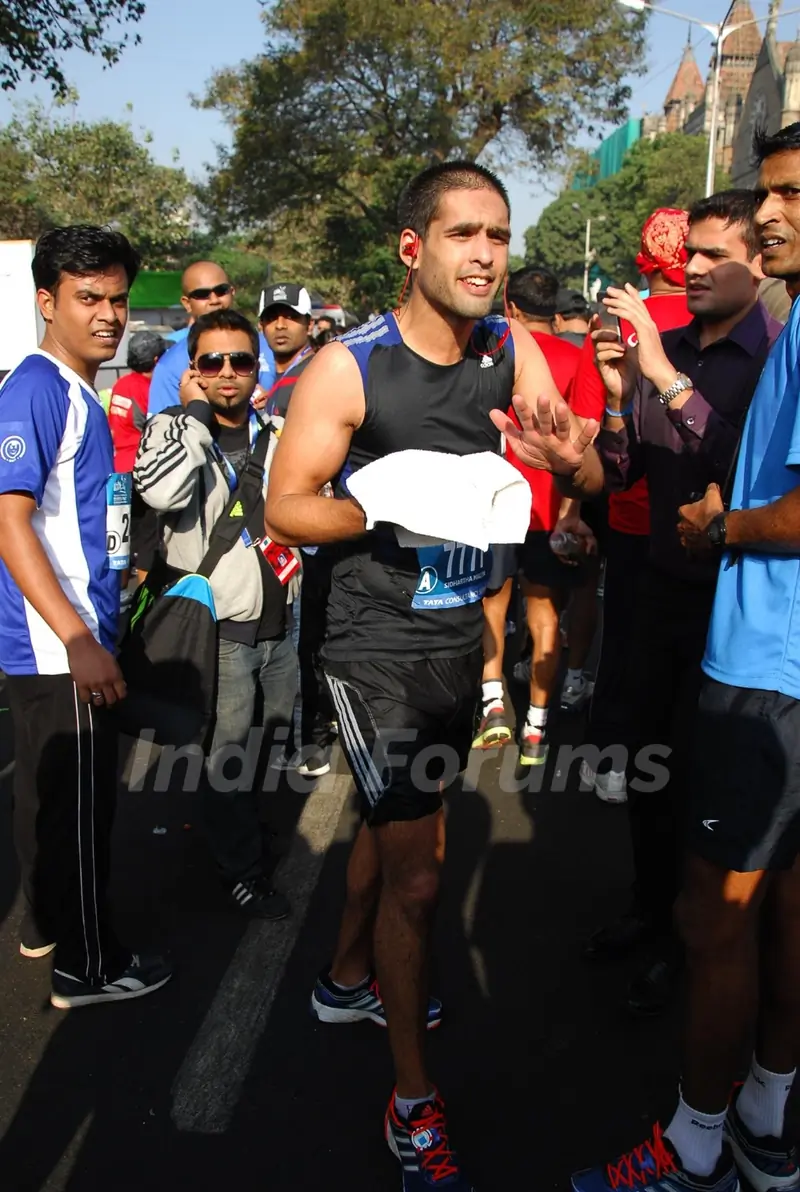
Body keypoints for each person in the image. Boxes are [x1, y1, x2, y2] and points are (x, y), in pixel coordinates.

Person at [265, 160, 601, 1191]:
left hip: (461, 640)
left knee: (402, 830)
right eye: (463, 235)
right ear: (414, 248)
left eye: (497, 235)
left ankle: (345, 976)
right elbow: (287, 505)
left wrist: (570, 476)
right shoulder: (348, 368)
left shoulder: (512, 345)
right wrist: (387, 507)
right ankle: (412, 1102)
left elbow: (576, 464)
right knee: (418, 872)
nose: (486, 255)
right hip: (372, 648)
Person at [570, 120, 800, 1192]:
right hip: (690, 619)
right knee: (666, 796)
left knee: (722, 907)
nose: (763, 218)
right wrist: (588, 455)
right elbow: (638, 461)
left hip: (756, 651)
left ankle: (698, 1136)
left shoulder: (769, 342)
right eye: (763, 194)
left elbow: (758, 492)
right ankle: (759, 1117)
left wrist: (723, 525)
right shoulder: (737, 337)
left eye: (786, 197)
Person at [0, 225, 171, 1008]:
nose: (108, 314)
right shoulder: (35, 387)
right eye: (87, 298)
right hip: (58, 643)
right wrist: (77, 637)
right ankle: (90, 964)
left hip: (72, 634)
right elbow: (9, 519)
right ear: (47, 301)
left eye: (116, 298)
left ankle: (45, 925)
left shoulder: (74, 388)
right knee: (78, 812)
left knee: (48, 800)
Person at [134, 309, 297, 919]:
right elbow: (161, 495)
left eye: (241, 360)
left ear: (258, 366)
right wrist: (195, 417)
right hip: (219, 625)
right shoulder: (172, 428)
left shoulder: (275, 431)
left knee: (268, 740)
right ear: (193, 369)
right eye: (212, 362)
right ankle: (242, 870)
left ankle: (246, 833)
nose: (227, 373)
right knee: (225, 754)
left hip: (281, 618)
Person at [571, 207, 691, 805]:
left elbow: (592, 424)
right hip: (697, 518)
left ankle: (611, 760)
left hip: (628, 510)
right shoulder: (720, 319)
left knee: (622, 642)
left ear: (644, 259)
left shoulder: (615, 321)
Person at [472, 264, 590, 764]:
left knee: (491, 606)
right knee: (545, 616)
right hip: (551, 511)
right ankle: (537, 729)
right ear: (555, 310)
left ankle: (494, 704)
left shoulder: (495, 352)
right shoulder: (578, 359)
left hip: (498, 506)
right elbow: (585, 441)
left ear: (512, 308)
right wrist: (573, 511)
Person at [148, 262, 276, 416]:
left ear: (232, 292)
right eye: (202, 294)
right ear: (187, 303)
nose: (214, 300)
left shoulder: (267, 346)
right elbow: (161, 431)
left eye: (221, 291)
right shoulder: (169, 365)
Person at [108, 329, 167, 586]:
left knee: (120, 534)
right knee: (147, 536)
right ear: (156, 360)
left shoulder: (122, 383)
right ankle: (144, 595)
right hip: (140, 468)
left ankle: (118, 591)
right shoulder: (150, 389)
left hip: (117, 469)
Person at [260, 283, 314, 418]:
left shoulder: (319, 373)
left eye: (291, 317)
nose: (280, 325)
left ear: (310, 325)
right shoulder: (252, 373)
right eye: (271, 318)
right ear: (261, 326)